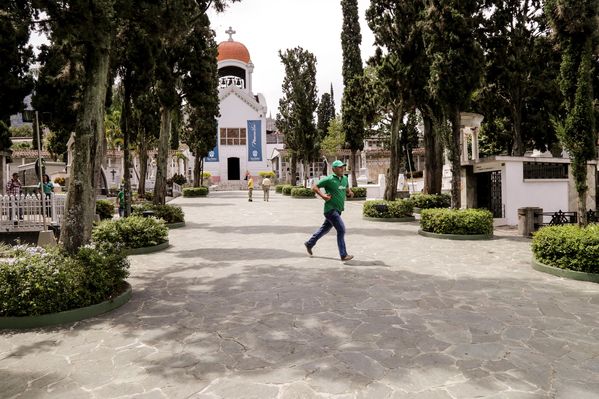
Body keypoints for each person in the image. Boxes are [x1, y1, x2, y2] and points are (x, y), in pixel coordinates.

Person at [304, 160, 354, 261]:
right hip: (330, 210)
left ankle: (309, 243)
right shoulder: (329, 179)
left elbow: (346, 188)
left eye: (343, 167)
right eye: (339, 167)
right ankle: (343, 255)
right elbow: (314, 187)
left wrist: (350, 192)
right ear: (334, 169)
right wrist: (323, 196)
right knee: (341, 229)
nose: (342, 169)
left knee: (324, 229)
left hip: (338, 210)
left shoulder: (345, 178)